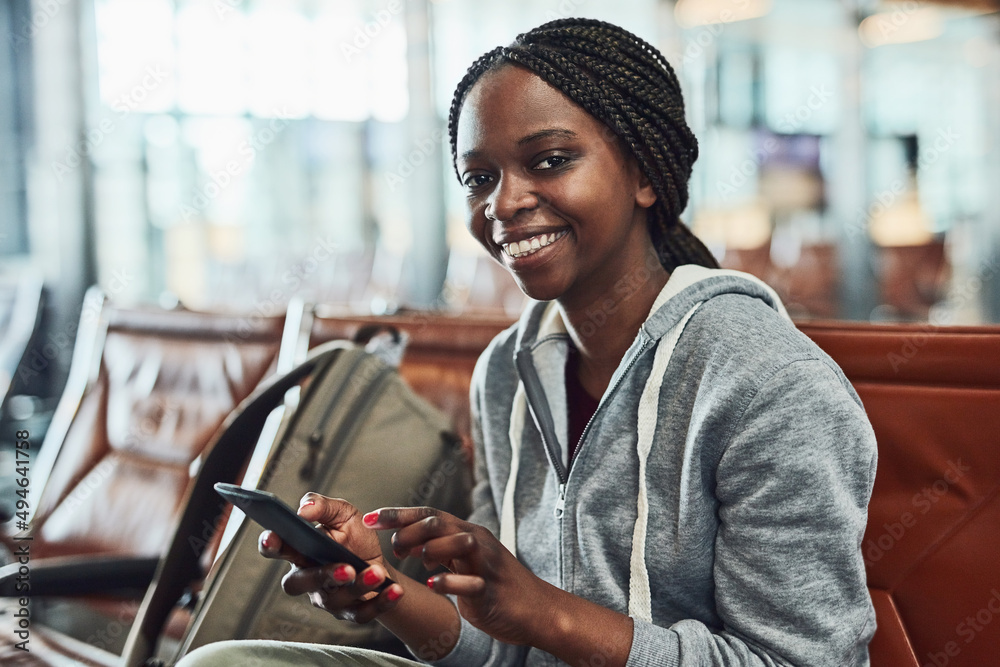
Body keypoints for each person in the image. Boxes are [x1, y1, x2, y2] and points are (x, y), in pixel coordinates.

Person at [179, 17, 876, 667]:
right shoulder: (506, 373)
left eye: (549, 160)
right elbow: (497, 641)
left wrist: (550, 614)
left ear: (642, 172)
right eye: (480, 178)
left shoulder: (770, 382)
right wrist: (384, 585)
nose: (503, 204)